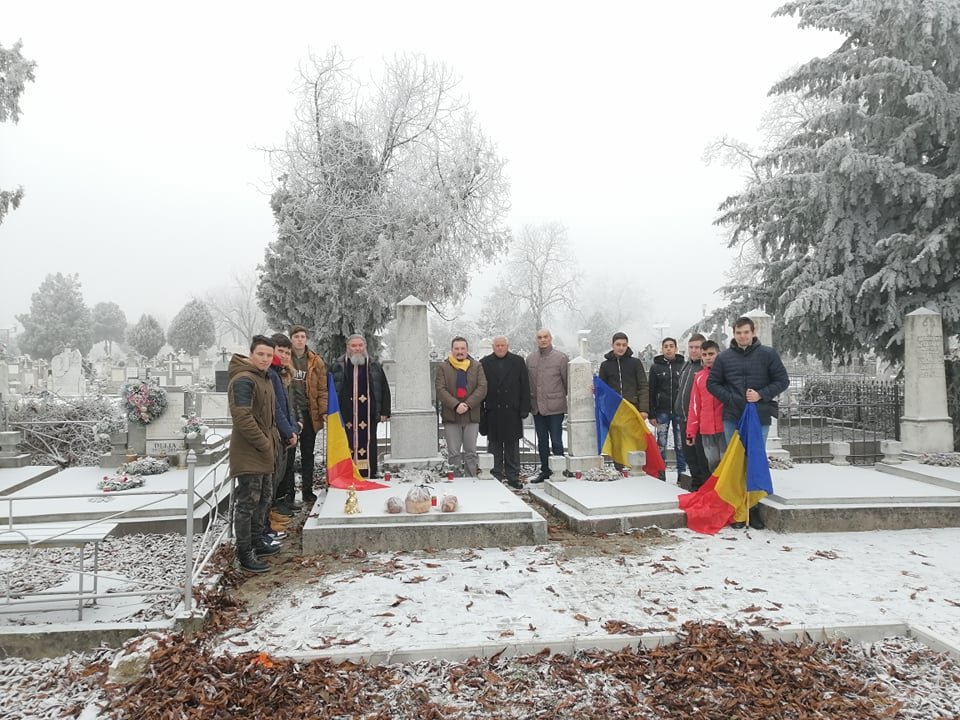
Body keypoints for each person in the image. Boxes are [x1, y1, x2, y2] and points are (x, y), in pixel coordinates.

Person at [707, 317, 790, 529]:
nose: (742, 336)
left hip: (759, 416)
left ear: (753, 333)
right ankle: (736, 510)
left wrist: (761, 394)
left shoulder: (768, 354)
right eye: (738, 333)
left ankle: (752, 509)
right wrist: (732, 398)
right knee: (735, 463)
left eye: (746, 332)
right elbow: (713, 383)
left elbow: (782, 380)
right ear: (733, 334)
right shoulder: (724, 358)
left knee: (754, 462)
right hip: (733, 417)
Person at [228, 335, 280, 573]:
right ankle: (244, 550)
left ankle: (257, 541)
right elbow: (242, 417)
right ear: (251, 354)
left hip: (264, 451)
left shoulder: (264, 378)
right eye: (261, 354)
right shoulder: (244, 380)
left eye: (269, 355)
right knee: (248, 502)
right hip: (249, 452)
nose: (265, 359)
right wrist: (264, 443)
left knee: (264, 498)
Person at [331, 334, 391, 478]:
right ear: (348, 347)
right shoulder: (338, 366)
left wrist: (384, 411)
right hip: (345, 415)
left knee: (369, 443)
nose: (357, 348)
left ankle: (369, 473)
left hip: (368, 415)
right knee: (346, 443)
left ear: (365, 347)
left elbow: (383, 388)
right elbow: (332, 389)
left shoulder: (374, 365)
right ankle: (347, 474)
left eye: (360, 345)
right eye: (354, 346)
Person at [480, 336, 530, 490]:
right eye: (497, 345)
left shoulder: (518, 361)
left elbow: (525, 386)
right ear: (493, 347)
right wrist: (482, 411)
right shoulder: (485, 363)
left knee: (512, 446)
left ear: (507, 346)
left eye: (502, 345)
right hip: (494, 410)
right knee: (494, 444)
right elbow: (482, 388)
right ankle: (495, 474)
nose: (500, 348)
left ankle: (513, 476)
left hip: (512, 411)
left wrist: (524, 408)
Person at [265, 333, 299, 543]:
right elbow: (276, 408)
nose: (285, 356)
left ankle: (271, 518)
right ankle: (268, 522)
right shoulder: (271, 373)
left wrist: (293, 427)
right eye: (281, 351)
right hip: (277, 434)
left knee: (278, 478)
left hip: (284, 433)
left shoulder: (280, 373)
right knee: (271, 481)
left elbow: (288, 406)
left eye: (288, 352)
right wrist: (288, 431)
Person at [436, 336, 487, 477]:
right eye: (456, 348)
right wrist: (456, 405)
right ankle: (455, 480)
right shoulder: (443, 367)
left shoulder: (477, 366)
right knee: (453, 454)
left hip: (471, 416)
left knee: (471, 452)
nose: (459, 351)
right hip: (451, 416)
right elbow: (440, 389)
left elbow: (482, 387)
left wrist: (468, 404)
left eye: (462, 348)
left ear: (467, 350)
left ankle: (471, 479)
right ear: (452, 350)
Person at [598, 331, 649, 470]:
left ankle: (635, 467)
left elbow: (643, 385)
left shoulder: (635, 363)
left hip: (632, 409)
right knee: (618, 441)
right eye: (618, 344)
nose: (621, 347)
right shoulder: (605, 365)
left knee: (633, 439)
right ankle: (619, 468)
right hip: (614, 411)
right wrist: (595, 389)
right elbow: (602, 388)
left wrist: (644, 409)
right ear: (612, 345)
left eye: (624, 345)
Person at [288, 325, 327, 503]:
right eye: (296, 336)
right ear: (291, 339)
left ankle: (307, 490)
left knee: (307, 453)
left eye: (303, 336)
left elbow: (322, 389)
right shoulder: (285, 359)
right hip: (290, 414)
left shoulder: (315, 361)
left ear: (307, 339)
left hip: (309, 413)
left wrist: (323, 411)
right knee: (288, 456)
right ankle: (288, 494)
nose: (300, 339)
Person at [526, 328, 568, 482]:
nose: (543, 340)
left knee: (556, 440)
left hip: (555, 407)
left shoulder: (561, 358)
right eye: (539, 337)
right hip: (537, 407)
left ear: (550, 338)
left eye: (545, 337)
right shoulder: (530, 359)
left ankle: (560, 470)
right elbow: (529, 383)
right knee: (542, 441)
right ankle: (545, 470)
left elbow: (566, 382)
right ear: (536, 340)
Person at [685, 339, 726, 487]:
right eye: (705, 354)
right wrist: (691, 432)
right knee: (712, 462)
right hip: (706, 429)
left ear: (718, 354)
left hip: (724, 427)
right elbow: (694, 406)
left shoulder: (726, 375)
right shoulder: (699, 377)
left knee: (726, 461)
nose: (708, 357)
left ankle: (727, 492)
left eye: (711, 354)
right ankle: (716, 492)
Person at [648, 337, 686, 481]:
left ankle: (682, 475)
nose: (669, 349)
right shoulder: (655, 367)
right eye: (666, 346)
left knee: (680, 444)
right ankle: (660, 473)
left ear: (676, 348)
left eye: (671, 346)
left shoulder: (683, 365)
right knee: (661, 444)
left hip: (679, 412)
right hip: (662, 411)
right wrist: (652, 413)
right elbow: (651, 390)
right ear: (662, 349)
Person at [675, 333, 708, 489]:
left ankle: (703, 483)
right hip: (683, 417)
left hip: (700, 420)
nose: (694, 350)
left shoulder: (706, 367)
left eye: (698, 347)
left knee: (701, 454)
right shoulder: (686, 366)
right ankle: (695, 481)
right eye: (691, 347)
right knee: (689, 454)